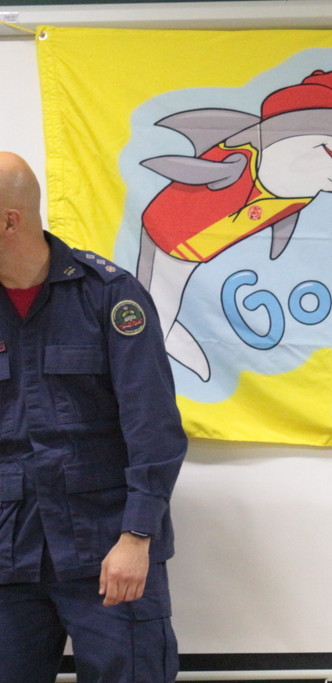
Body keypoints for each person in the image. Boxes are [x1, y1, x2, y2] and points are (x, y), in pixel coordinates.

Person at [0, 152, 187, 683]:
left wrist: (137, 536)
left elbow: (154, 429)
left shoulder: (107, 295)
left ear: (9, 221)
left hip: (108, 546)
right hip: (10, 551)